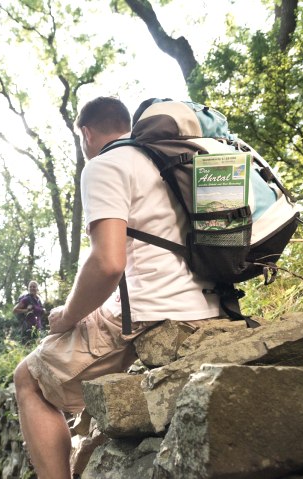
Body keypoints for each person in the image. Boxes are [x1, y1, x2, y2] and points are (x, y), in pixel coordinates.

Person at [13, 97, 222, 478]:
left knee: (28, 379)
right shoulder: (167, 160)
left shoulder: (105, 164)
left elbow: (108, 263)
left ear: (86, 133)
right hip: (208, 303)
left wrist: (68, 315)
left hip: (151, 310)